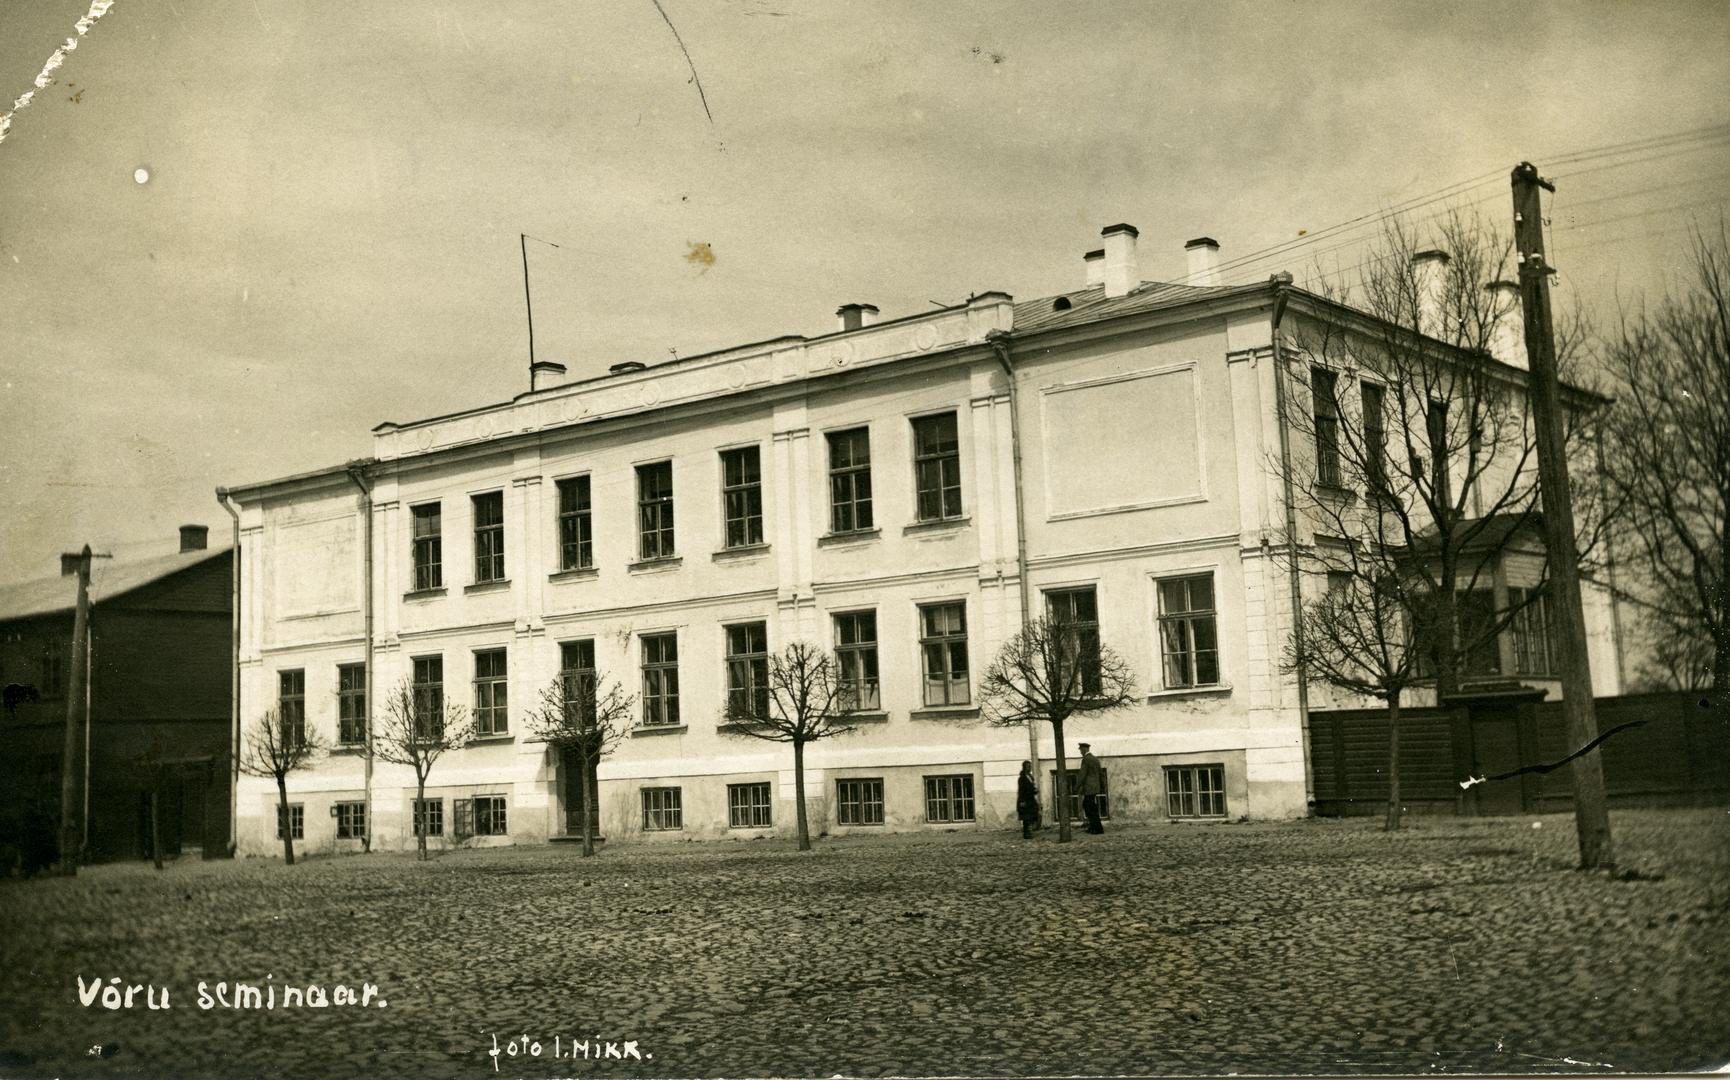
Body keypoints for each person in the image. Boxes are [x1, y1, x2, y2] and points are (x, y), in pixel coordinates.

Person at [1078, 742, 1105, 834]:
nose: (1080, 752)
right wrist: (1102, 786)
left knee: (1089, 807)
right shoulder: (1095, 759)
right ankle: (1095, 827)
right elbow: (1101, 774)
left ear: (1084, 749)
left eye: (1081, 750)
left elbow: (1082, 774)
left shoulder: (1086, 759)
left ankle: (1096, 828)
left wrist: (1077, 786)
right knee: (1090, 806)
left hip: (1089, 788)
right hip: (1095, 787)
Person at [1016, 760, 1041, 839]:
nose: (1030, 768)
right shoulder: (1022, 778)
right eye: (1028, 767)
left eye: (1030, 766)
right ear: (1024, 768)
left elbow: (1032, 787)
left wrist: (1034, 790)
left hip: (1031, 799)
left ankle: (1030, 831)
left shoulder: (1030, 777)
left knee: (1032, 815)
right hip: (1025, 800)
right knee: (1026, 818)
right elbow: (1021, 790)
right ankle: (1027, 833)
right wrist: (1022, 801)